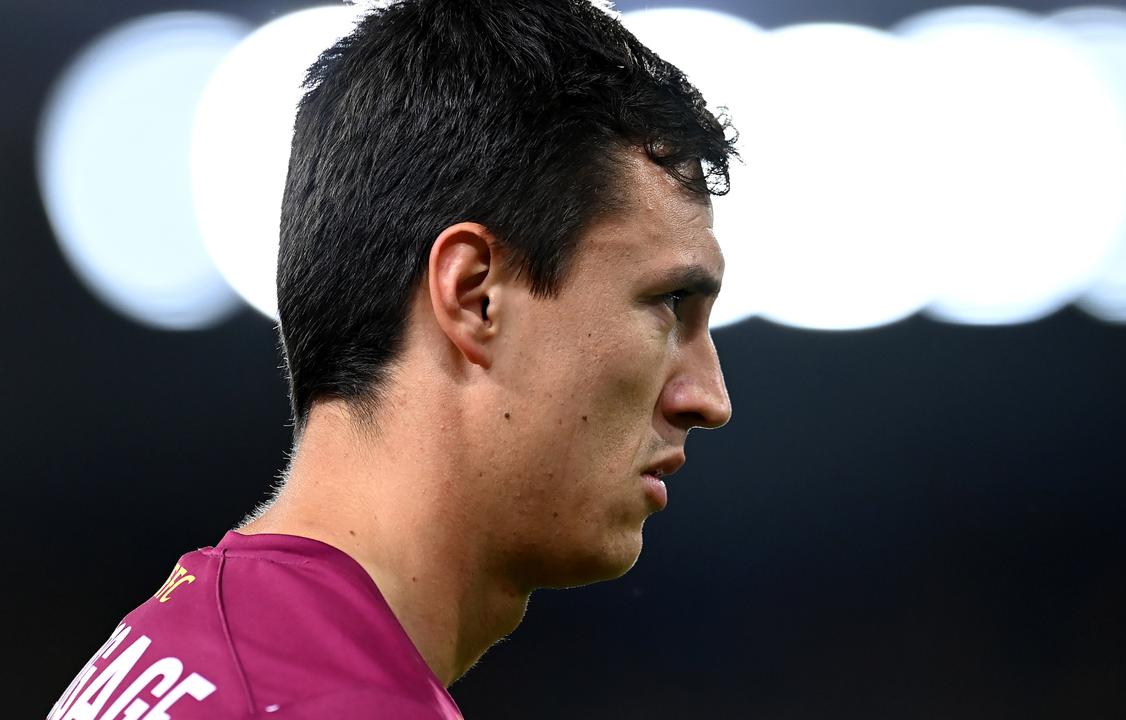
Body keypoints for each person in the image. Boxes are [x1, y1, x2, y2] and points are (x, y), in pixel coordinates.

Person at [49, 0, 736, 717]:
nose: (709, 398)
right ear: (474, 298)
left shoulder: (181, 645)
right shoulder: (327, 702)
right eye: (670, 304)